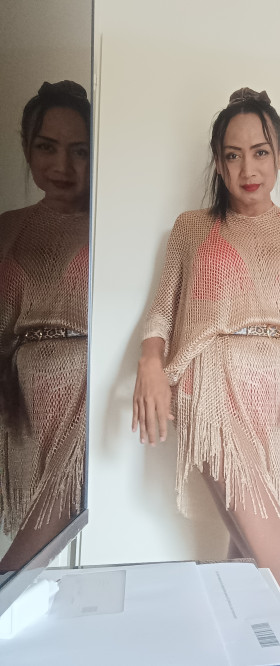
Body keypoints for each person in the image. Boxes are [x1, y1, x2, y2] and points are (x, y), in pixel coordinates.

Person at [132, 87, 280, 625]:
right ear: (218, 163)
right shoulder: (193, 228)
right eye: (233, 155)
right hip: (213, 391)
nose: (248, 169)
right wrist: (150, 361)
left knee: (247, 567)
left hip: (279, 406)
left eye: (260, 152)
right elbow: (161, 314)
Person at [0, 81, 90, 571]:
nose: (62, 166)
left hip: (84, 395)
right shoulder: (7, 227)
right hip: (19, 402)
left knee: (23, 565)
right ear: (27, 148)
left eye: (79, 151)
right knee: (41, 569)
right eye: (47, 147)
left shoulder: (107, 223)